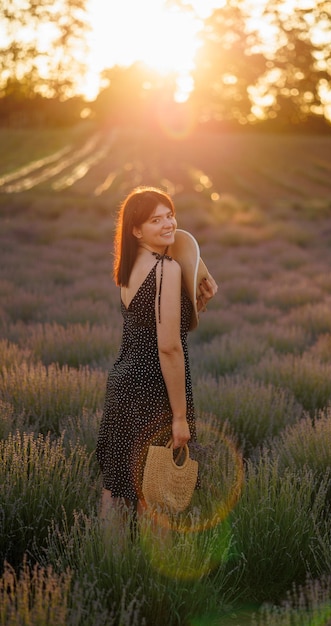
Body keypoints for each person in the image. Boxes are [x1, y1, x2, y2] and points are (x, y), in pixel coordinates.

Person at [96, 186, 217, 520]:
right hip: (154, 390)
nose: (168, 224)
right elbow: (169, 347)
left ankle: (108, 562)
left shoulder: (131, 262)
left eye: (170, 215)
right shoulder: (166, 270)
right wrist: (179, 416)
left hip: (123, 383)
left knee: (117, 482)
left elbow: (179, 240)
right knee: (157, 491)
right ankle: (151, 572)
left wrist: (200, 268)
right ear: (137, 230)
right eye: (155, 220)